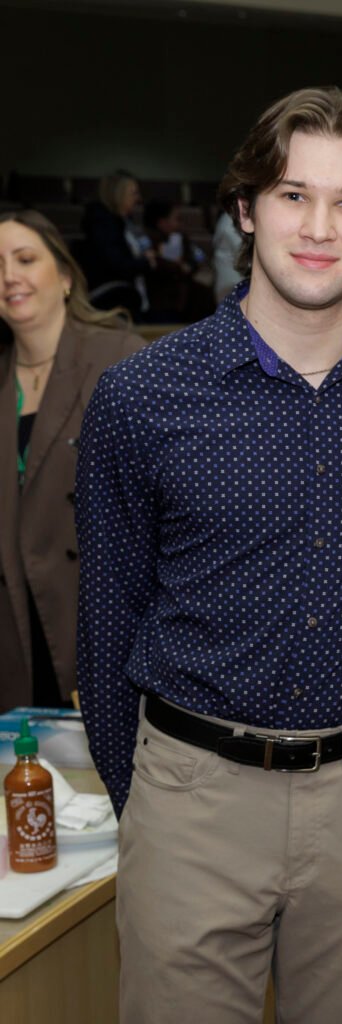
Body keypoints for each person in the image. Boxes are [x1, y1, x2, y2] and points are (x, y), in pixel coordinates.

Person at [75, 86, 342, 1024]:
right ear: (246, 210)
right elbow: (107, 618)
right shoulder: (141, 398)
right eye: (293, 195)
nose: (318, 227)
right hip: (192, 798)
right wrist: (150, 800)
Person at [0, 209, 143, 712]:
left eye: (25, 259)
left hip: (97, 626)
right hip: (16, 637)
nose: (9, 276)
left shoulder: (120, 358)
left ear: (64, 276)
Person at [79, 170, 156, 318]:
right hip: (112, 301)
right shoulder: (103, 225)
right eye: (133, 193)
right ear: (118, 194)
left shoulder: (124, 222)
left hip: (126, 295)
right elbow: (116, 264)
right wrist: (146, 262)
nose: (138, 199)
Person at [143, 198, 214, 322]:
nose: (179, 224)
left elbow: (193, 260)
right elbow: (155, 266)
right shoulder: (146, 243)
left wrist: (187, 266)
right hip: (161, 302)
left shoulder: (181, 239)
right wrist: (177, 266)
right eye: (176, 219)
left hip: (185, 300)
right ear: (162, 222)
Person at [212, 208, 244, 301]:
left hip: (233, 281)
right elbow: (242, 252)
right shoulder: (228, 221)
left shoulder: (228, 219)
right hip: (231, 282)